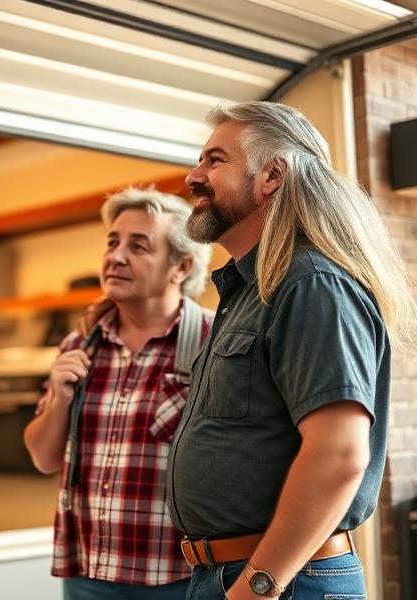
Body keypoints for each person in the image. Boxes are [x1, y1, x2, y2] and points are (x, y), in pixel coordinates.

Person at [167, 101, 416, 599]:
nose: (194, 177)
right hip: (237, 577)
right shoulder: (249, 292)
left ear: (272, 175)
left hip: (280, 582)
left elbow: (339, 453)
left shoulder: (311, 284)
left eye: (215, 161)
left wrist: (257, 587)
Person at [24, 187, 213, 600]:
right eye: (113, 242)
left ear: (181, 266)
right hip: (89, 573)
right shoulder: (79, 344)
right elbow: (43, 458)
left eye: (139, 246)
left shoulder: (214, 342)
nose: (116, 257)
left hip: (180, 575)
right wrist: (58, 397)